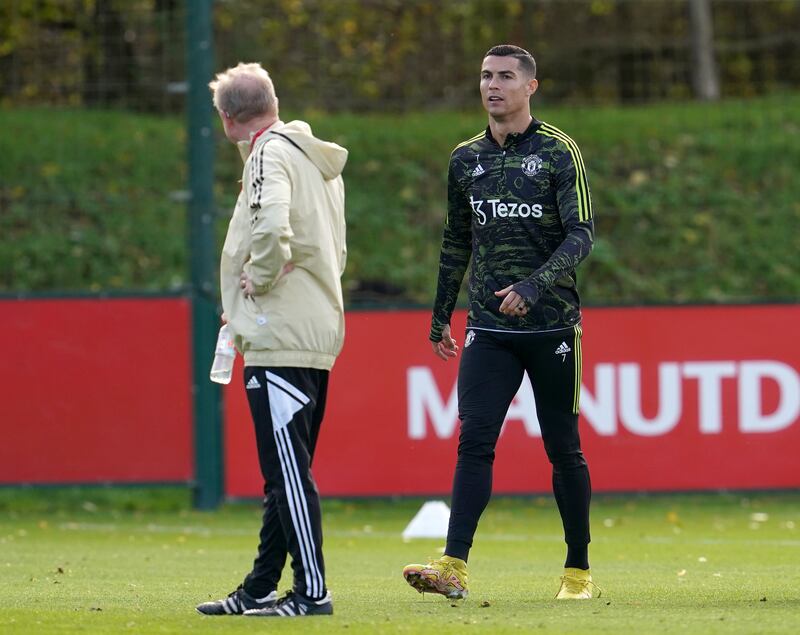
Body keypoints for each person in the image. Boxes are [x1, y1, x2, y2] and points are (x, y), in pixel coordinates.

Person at [403, 45, 599, 601]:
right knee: (475, 441)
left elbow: (582, 231)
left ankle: (577, 570)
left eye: (506, 77)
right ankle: (453, 566)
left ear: (530, 87)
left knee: (563, 447)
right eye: (486, 75)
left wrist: (535, 284)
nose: (493, 85)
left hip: (552, 325)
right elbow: (457, 239)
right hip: (488, 327)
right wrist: (443, 312)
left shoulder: (559, 152)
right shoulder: (465, 158)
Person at [196, 62, 347, 618]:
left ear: (229, 118)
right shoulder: (314, 156)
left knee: (287, 472)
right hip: (313, 326)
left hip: (279, 330)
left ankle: (312, 593)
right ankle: (261, 586)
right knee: (284, 471)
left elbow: (271, 224)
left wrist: (256, 281)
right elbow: (334, 245)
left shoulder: (268, 154)